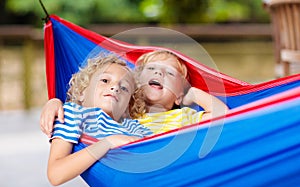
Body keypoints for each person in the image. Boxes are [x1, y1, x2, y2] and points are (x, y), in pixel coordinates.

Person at [40, 50, 229, 136]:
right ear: (135, 81)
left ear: (178, 95)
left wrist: (194, 93)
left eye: (170, 73)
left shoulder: (183, 116)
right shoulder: (121, 111)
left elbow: (223, 116)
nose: (159, 73)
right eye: (152, 68)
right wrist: (55, 102)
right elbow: (83, 107)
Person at [46, 54, 152, 186]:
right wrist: (108, 142)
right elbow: (56, 174)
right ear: (82, 93)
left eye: (124, 87)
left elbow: (156, 152)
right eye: (105, 80)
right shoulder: (73, 114)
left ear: (128, 106)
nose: (115, 87)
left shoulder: (133, 126)